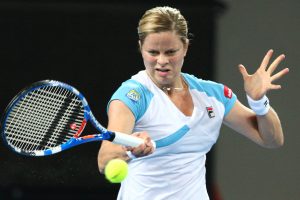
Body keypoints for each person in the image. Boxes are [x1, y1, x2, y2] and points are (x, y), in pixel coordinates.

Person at [98, 6, 289, 200]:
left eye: (171, 51)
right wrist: (131, 151)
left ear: (186, 47)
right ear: (141, 48)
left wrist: (258, 102)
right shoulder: (131, 96)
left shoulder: (212, 95)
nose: (162, 60)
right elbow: (105, 160)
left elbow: (272, 140)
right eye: (153, 52)